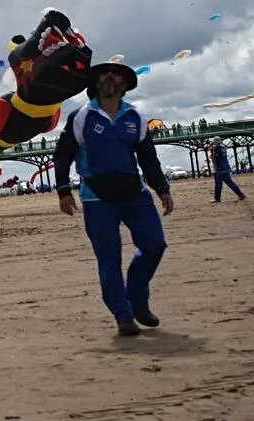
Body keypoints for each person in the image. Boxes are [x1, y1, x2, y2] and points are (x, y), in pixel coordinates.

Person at [55, 57, 174, 336]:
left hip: (135, 195)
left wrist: (162, 189)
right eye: (104, 74)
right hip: (97, 198)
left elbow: (148, 157)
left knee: (155, 245)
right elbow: (63, 155)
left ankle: (137, 300)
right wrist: (63, 190)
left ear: (124, 84)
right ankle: (123, 315)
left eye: (116, 74)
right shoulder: (82, 116)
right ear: (95, 83)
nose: (110, 77)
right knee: (109, 259)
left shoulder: (135, 116)